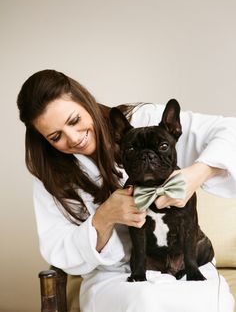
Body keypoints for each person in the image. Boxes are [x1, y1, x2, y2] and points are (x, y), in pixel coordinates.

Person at [17, 69, 236, 312]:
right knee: (144, 303)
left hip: (187, 260)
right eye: (56, 136)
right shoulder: (50, 175)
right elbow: (58, 249)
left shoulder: (143, 119)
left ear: (85, 101)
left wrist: (197, 174)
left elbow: (231, 130)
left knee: (203, 304)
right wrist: (104, 218)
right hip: (116, 277)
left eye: (74, 120)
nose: (73, 138)